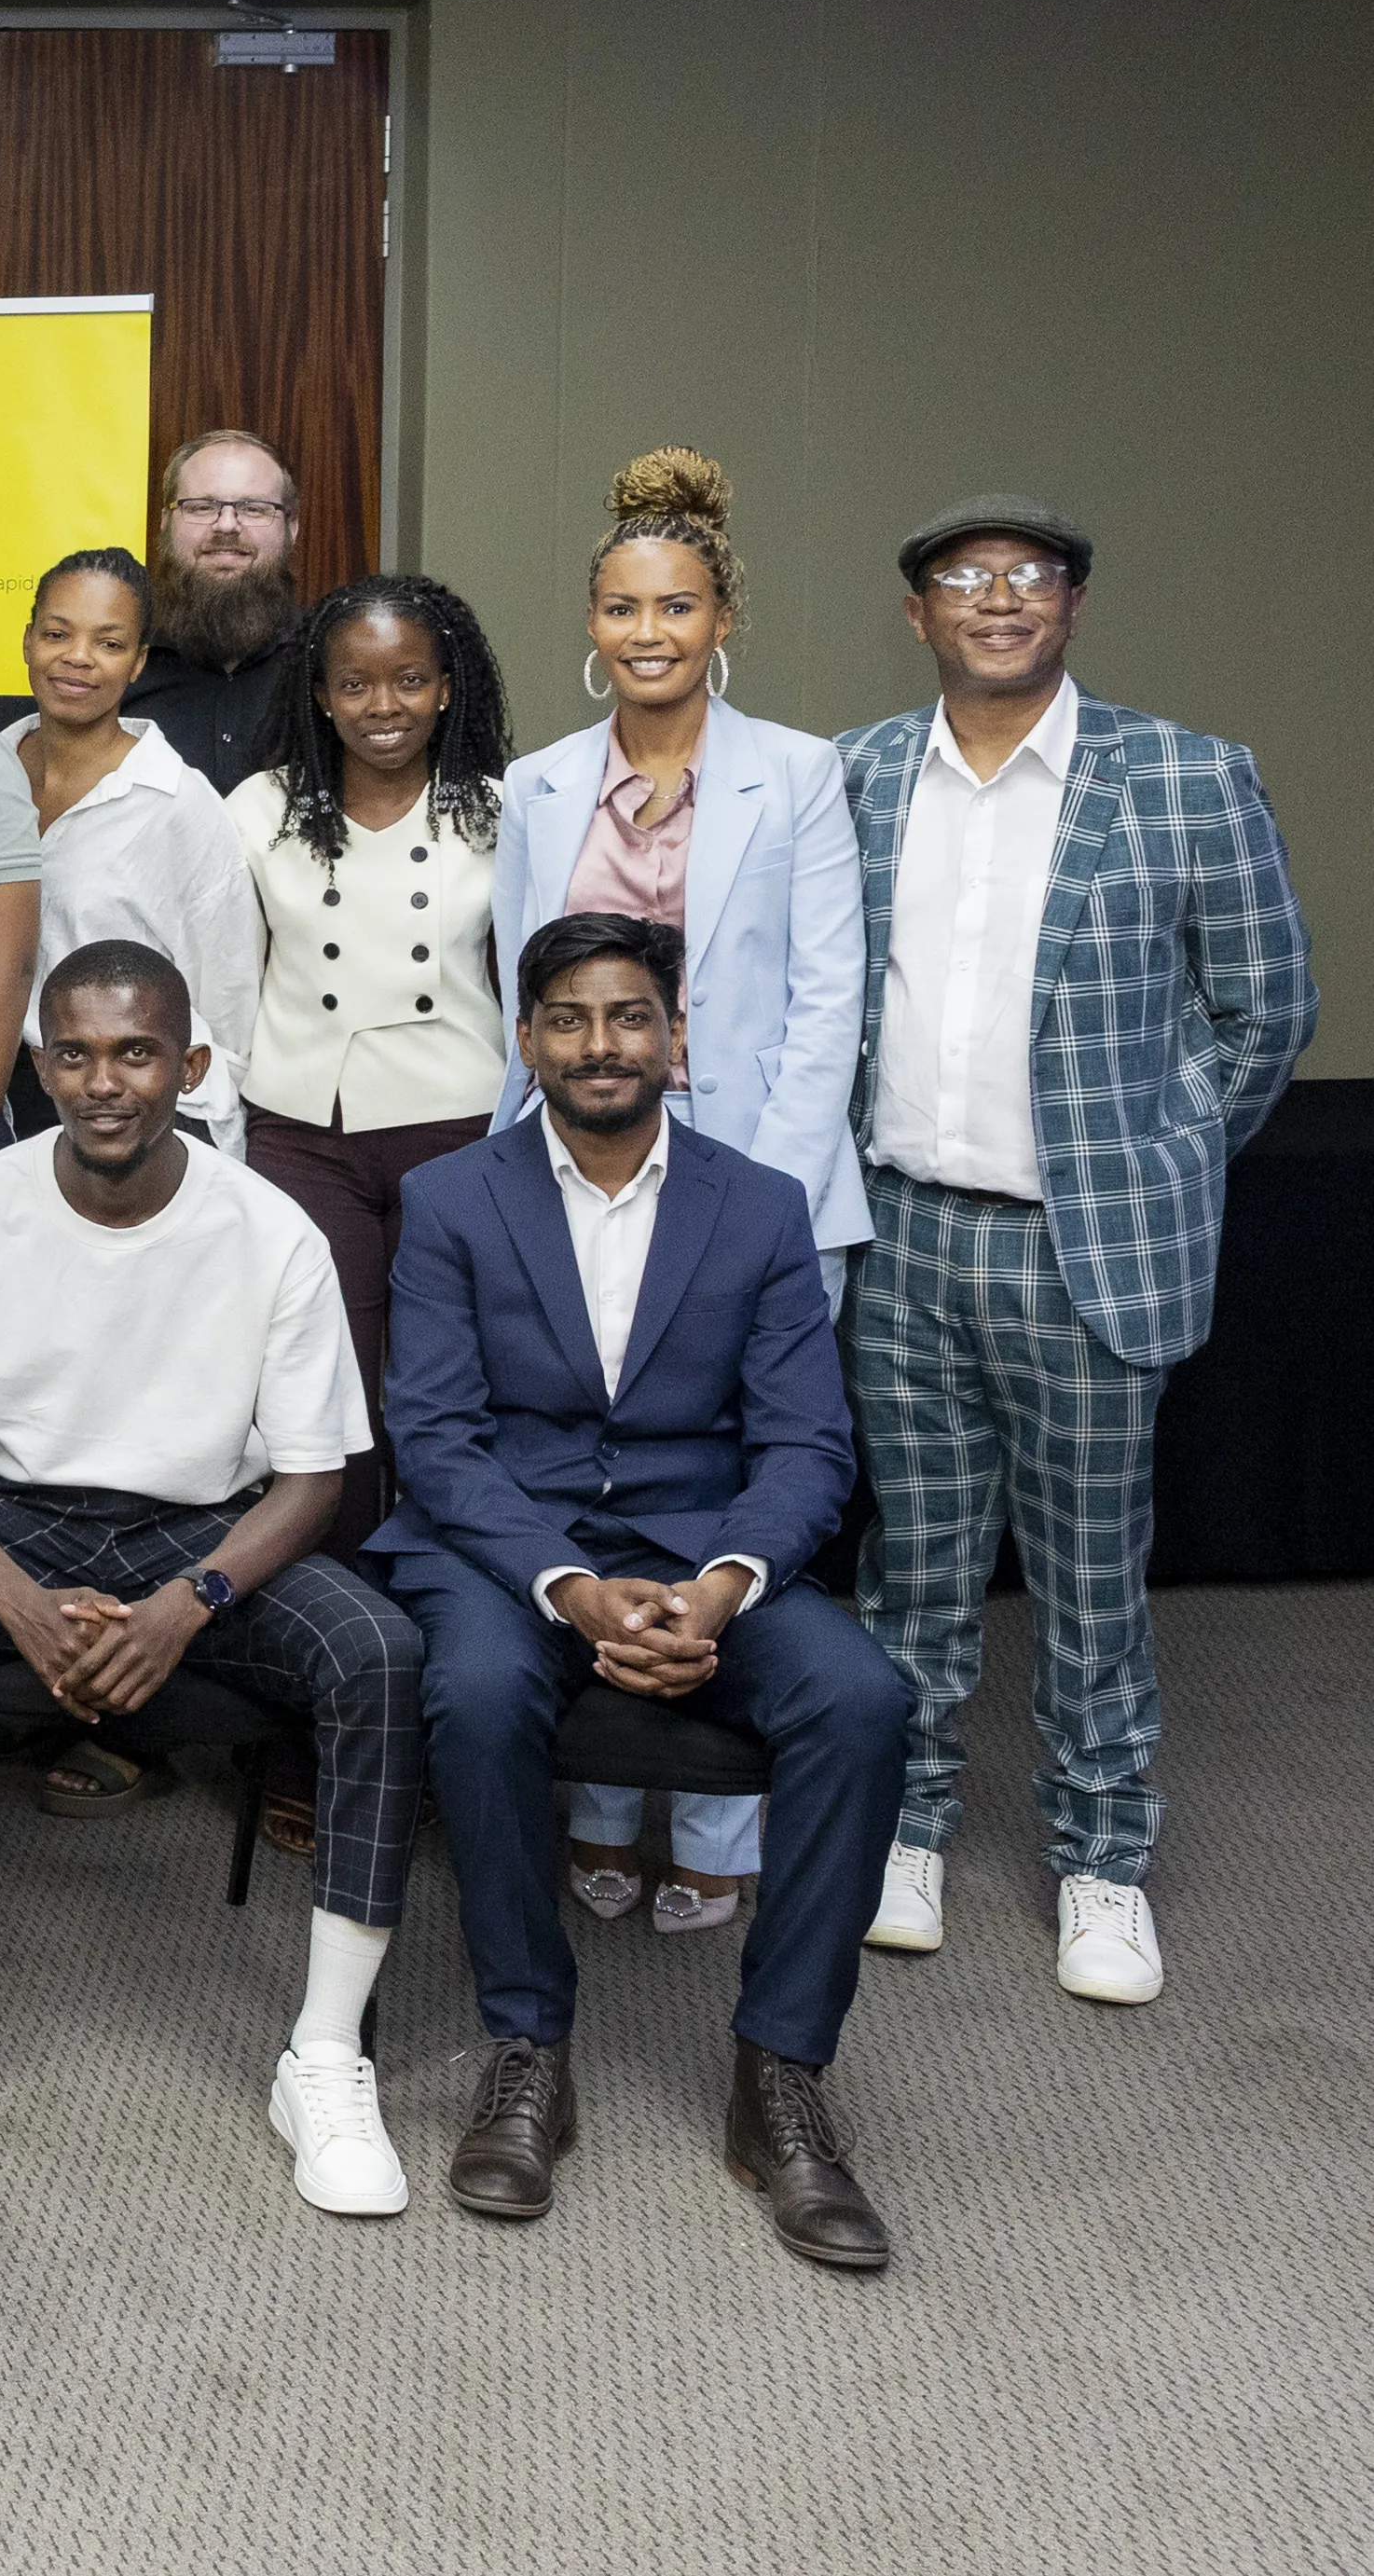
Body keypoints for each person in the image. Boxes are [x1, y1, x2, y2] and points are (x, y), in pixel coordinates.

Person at [0, 941, 421, 2220]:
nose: (104, 1082)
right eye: (75, 1054)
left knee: (378, 1653)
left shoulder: (272, 1230)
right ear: (37, 1068)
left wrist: (187, 1602)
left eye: (136, 1052)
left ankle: (322, 2052)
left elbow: (313, 1481)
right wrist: (15, 1601)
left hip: (205, 1534)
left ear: (188, 1065)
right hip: (4, 1521)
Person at [379, 914, 906, 2269]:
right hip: (519, 1547)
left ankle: (779, 2073)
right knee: (479, 1685)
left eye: (626, 1017)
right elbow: (434, 1439)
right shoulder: (450, 1199)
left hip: (704, 1549)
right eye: (567, 1017)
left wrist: (724, 1586)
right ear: (525, 1040)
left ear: (675, 1042)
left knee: (858, 1697)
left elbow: (806, 1444)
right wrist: (566, 1585)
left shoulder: (761, 1203)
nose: (597, 1043)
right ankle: (525, 2045)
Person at [843, 494, 1312, 2004]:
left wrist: (1156, 1151)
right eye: (960, 576)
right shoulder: (852, 778)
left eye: (1026, 574)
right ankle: (901, 1827)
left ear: (1070, 603)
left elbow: (1265, 1007)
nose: (995, 596)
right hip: (899, 1233)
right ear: (914, 611)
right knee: (908, 1571)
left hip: (1079, 1251)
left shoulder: (1183, 776)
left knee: (1090, 1584)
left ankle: (1099, 1861)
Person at [496, 450, 872, 1931]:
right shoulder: (537, 784)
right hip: (576, 1161)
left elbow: (828, 990)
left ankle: (716, 1810)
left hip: (753, 1180)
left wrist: (753, 1207)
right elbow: (508, 998)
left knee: (733, 1487)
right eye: (621, 606)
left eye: (677, 605)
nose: (648, 631)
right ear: (590, 623)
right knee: (588, 1459)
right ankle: (599, 1790)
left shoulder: (800, 771)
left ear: (725, 617)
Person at [227, 576, 515, 1569]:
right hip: (305, 1130)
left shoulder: (497, 811)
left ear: (446, 688)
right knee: (322, 1383)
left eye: (407, 681)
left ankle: (457, 1593)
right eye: (354, 683)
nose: (380, 706)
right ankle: (339, 1604)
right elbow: (228, 979)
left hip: (460, 1127)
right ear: (318, 692)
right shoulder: (259, 809)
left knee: (446, 1382)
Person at [7, 545, 255, 1159]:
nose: (77, 657)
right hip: (8, 1102)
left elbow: (229, 996)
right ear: (27, 640)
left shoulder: (175, 801)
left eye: (109, 643)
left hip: (141, 1111)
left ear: (138, 662)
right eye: (56, 633)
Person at [125, 429, 309, 792]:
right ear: (165, 523)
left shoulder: (330, 666)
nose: (226, 525)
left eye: (254, 508)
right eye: (201, 507)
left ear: (292, 528)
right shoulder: (120, 666)